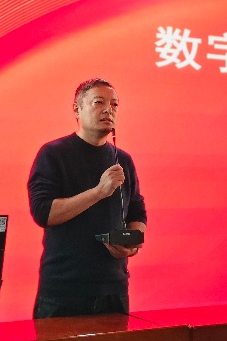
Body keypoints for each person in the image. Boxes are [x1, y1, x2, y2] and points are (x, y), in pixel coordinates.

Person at [27, 78, 147, 319]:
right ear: (77, 109)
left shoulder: (122, 159)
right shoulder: (53, 153)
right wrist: (98, 192)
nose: (108, 110)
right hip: (65, 290)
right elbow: (43, 212)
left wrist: (132, 243)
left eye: (114, 104)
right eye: (98, 102)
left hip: (113, 288)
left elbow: (137, 211)